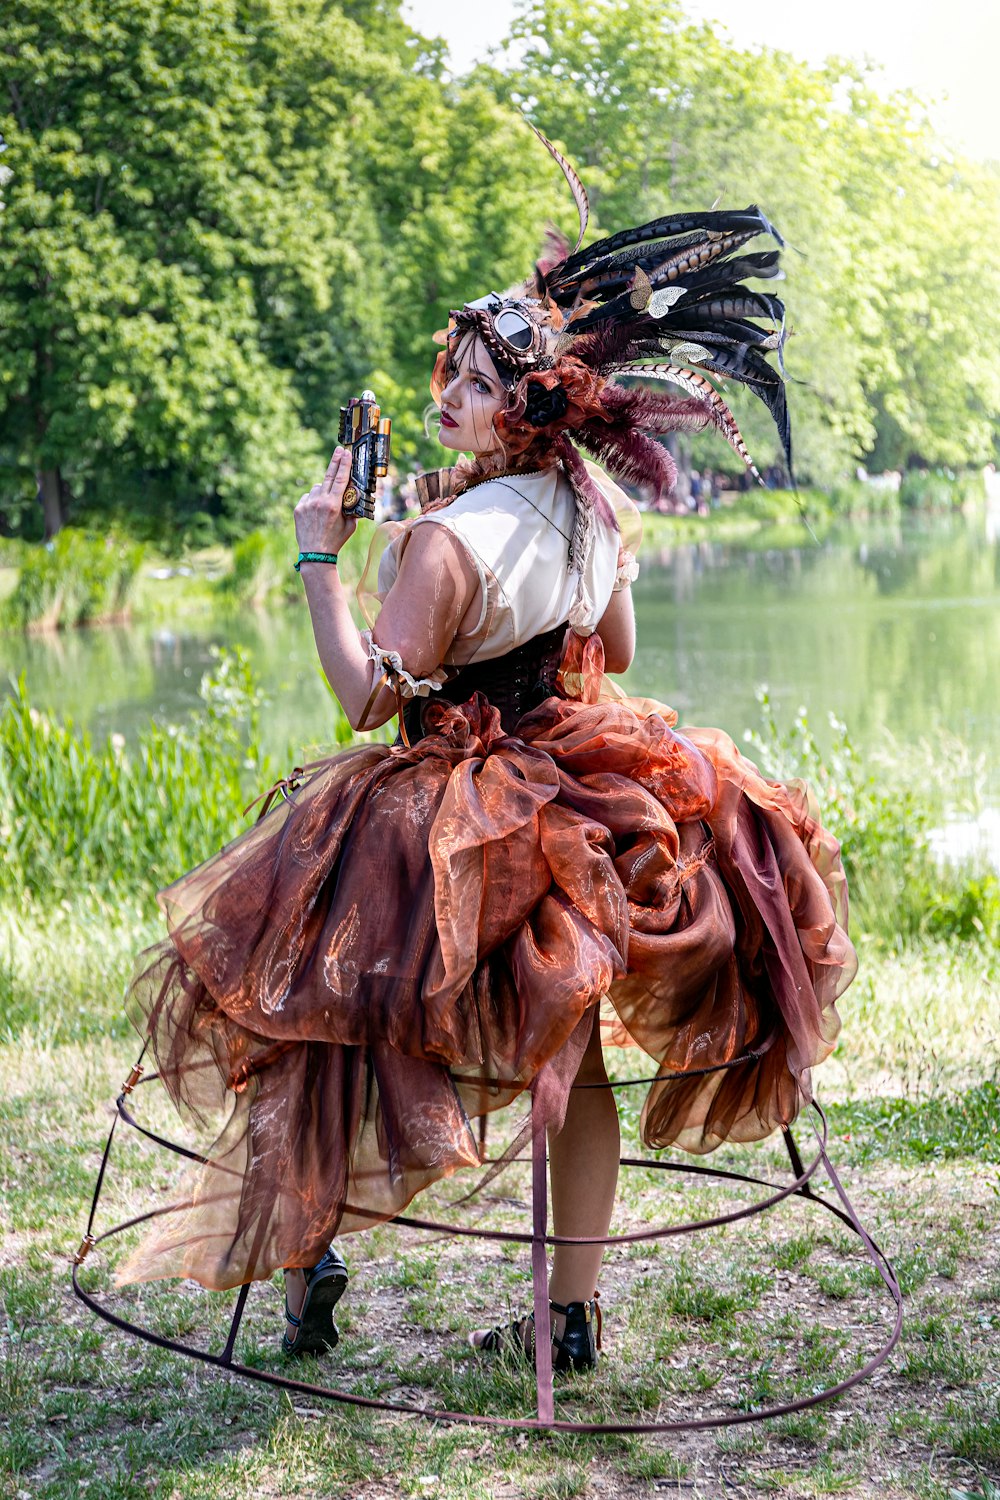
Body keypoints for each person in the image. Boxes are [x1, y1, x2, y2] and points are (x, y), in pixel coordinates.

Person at [117, 130, 855, 1377]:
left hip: (451, 794)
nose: (437, 399)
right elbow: (607, 648)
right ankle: (568, 1312)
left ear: (521, 407)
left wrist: (318, 553)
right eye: (445, 378)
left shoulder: (439, 541)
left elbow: (362, 700)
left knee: (317, 1001)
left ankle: (308, 1262)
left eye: (463, 386)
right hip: (581, 775)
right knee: (569, 1051)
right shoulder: (591, 508)